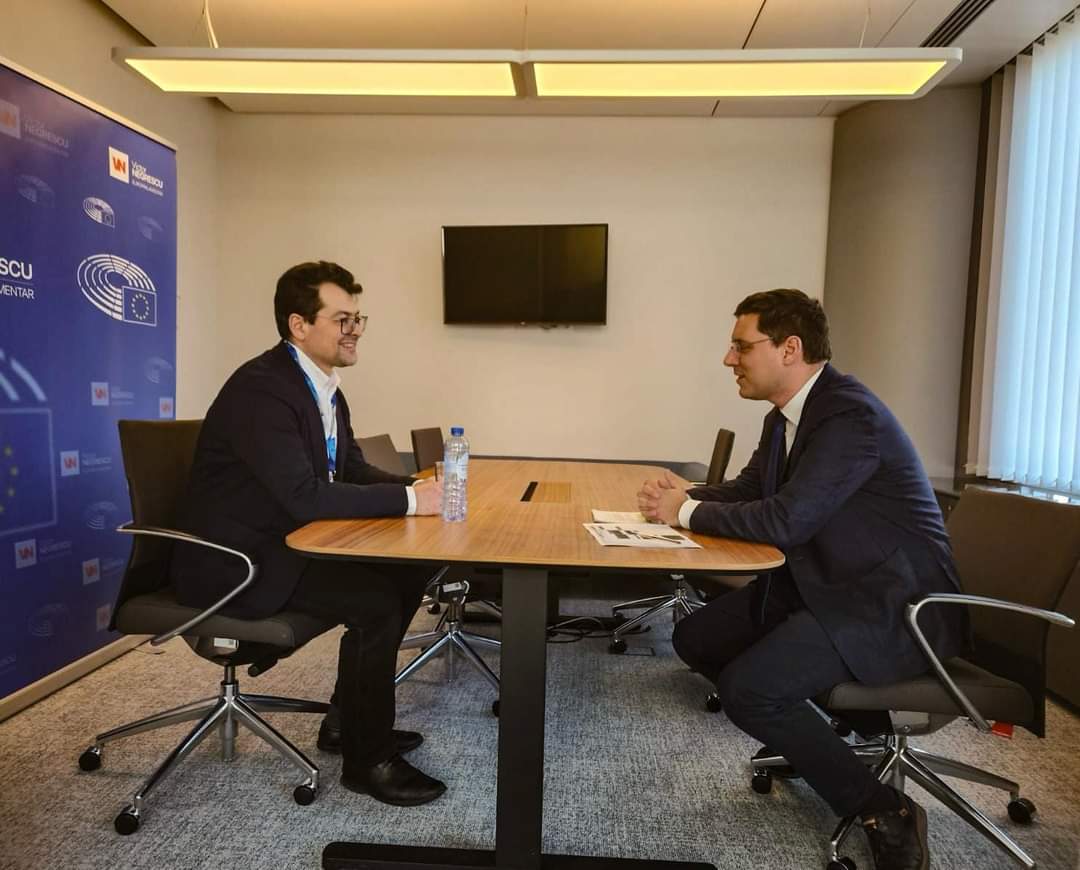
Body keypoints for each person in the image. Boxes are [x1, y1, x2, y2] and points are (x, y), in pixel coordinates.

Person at [637, 289, 968, 870]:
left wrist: (685, 512)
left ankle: (885, 809)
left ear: (789, 349)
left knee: (750, 690)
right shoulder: (785, 417)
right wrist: (685, 496)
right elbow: (751, 491)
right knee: (697, 637)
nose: (729, 359)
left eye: (741, 346)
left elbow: (788, 520)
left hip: (889, 605)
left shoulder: (849, 417)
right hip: (825, 584)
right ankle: (814, 740)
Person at [171, 260, 446, 806]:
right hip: (236, 561)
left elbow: (350, 470)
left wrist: (417, 486)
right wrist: (413, 502)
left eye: (358, 319)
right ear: (299, 325)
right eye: (343, 320)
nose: (355, 330)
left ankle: (347, 724)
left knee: (405, 574)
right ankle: (368, 762)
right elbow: (303, 496)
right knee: (374, 601)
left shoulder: (325, 390)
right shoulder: (261, 390)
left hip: (284, 545)